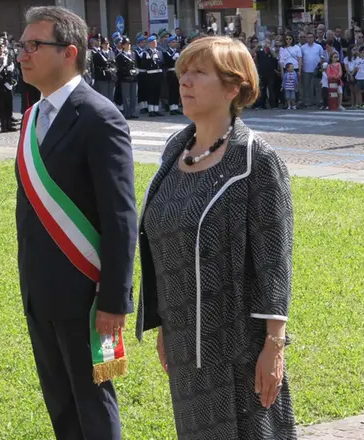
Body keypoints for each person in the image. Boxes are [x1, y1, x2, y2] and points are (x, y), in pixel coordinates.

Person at [135, 35, 297, 440]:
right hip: (185, 341)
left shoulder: (255, 159)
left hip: (239, 345)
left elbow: (274, 260)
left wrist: (273, 346)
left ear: (234, 87)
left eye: (199, 73)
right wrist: (163, 325)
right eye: (183, 73)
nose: (185, 82)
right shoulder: (176, 150)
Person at [15, 6, 137, 439]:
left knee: (94, 406)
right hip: (41, 292)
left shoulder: (100, 117)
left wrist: (114, 300)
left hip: (89, 300)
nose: (22, 54)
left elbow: (120, 216)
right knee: (61, 408)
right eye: (21, 45)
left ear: (69, 52)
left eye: (34, 45)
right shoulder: (32, 118)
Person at [0, 38, 17, 132]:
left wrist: (11, 77)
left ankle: (9, 124)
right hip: (0, 85)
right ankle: (3, 125)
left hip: (8, 85)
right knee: (2, 105)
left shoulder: (7, 57)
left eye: (2, 47)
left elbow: (11, 69)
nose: (1, 50)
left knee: (9, 104)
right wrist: (4, 82)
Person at [141, 35, 165, 117]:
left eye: (155, 42)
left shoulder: (159, 52)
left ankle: (156, 109)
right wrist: (151, 59)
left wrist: (157, 59)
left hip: (158, 74)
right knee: (151, 92)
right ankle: (151, 110)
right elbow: (145, 64)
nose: (155, 43)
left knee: (157, 92)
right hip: (151, 74)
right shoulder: (146, 52)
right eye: (154, 42)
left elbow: (162, 62)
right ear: (150, 43)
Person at [116, 36, 140, 119]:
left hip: (133, 78)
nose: (128, 45)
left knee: (133, 96)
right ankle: (127, 113)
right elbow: (119, 68)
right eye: (126, 44)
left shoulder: (133, 54)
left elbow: (136, 64)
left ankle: (133, 112)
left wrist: (136, 71)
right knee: (126, 97)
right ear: (123, 45)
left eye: (129, 43)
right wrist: (127, 71)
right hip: (125, 79)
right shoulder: (120, 56)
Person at [163, 35, 183, 115]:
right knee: (171, 91)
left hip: (177, 72)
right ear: (169, 43)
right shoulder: (166, 52)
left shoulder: (177, 51)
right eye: (173, 42)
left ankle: (175, 107)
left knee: (176, 91)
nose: (175, 43)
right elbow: (167, 62)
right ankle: (171, 108)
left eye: (175, 42)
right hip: (170, 72)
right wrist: (172, 58)